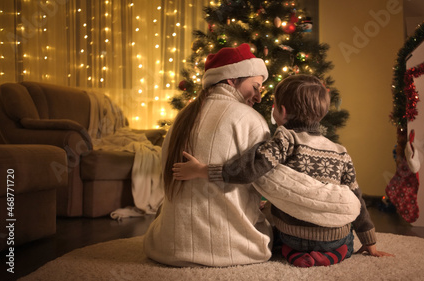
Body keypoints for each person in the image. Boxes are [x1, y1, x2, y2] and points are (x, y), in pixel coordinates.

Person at [143, 43, 340, 267]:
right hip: (232, 249)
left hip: (167, 245)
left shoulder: (182, 116)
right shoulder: (250, 119)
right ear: (231, 79)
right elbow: (265, 182)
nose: (258, 97)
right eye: (255, 86)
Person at [173, 74, 394, 268]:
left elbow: (251, 170)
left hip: (293, 235)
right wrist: (369, 241)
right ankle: (335, 254)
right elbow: (356, 198)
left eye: (274, 105)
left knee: (273, 234)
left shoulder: (285, 139)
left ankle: (295, 253)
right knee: (347, 241)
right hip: (333, 238)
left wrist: (203, 170)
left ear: (283, 111)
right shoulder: (340, 152)